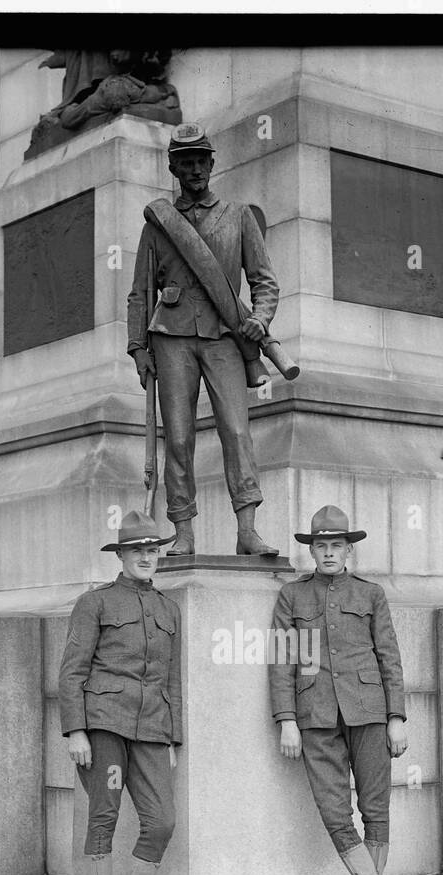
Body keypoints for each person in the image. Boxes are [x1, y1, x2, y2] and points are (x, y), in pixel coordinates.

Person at [127, 122, 280, 557]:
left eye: (200, 161)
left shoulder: (239, 217)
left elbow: (265, 282)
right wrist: (138, 348)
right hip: (171, 340)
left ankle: (247, 529)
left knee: (236, 431)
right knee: (178, 438)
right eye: (185, 162)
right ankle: (185, 532)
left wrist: (261, 321)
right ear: (173, 167)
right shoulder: (158, 224)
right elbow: (140, 293)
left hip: (224, 339)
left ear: (212, 164)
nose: (194, 169)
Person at [268, 506, 409, 875]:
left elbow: (389, 657)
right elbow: (281, 661)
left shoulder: (371, 595)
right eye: (320, 546)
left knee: (375, 812)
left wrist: (396, 716)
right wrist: (287, 719)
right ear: (311, 551)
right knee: (335, 814)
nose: (328, 553)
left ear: (348, 550)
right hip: (316, 719)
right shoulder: (293, 596)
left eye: (335, 545)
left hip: (368, 712)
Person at [59, 511, 181, 875]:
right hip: (104, 724)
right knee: (104, 817)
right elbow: (72, 672)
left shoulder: (169, 608)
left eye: (152, 550)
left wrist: (173, 739)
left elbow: (173, 680)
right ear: (122, 555)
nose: (146, 557)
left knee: (162, 820)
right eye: (137, 551)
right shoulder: (96, 603)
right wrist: (76, 730)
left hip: (151, 728)